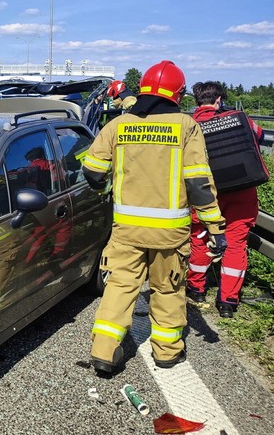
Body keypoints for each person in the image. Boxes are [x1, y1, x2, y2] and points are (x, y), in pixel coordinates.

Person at [82, 60, 225, 373]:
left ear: (143, 88)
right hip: (169, 235)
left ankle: (104, 351)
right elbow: (199, 183)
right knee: (168, 290)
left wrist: (111, 185)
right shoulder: (186, 127)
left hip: (127, 230)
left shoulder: (118, 125)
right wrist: (215, 228)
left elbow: (91, 171)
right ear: (178, 93)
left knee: (120, 287)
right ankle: (166, 353)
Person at [186, 81, 266, 318]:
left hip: (206, 194)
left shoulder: (190, 125)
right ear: (220, 100)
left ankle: (197, 289)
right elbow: (259, 136)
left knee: (200, 238)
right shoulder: (239, 118)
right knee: (235, 244)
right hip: (242, 194)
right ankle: (228, 302)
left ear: (197, 101)